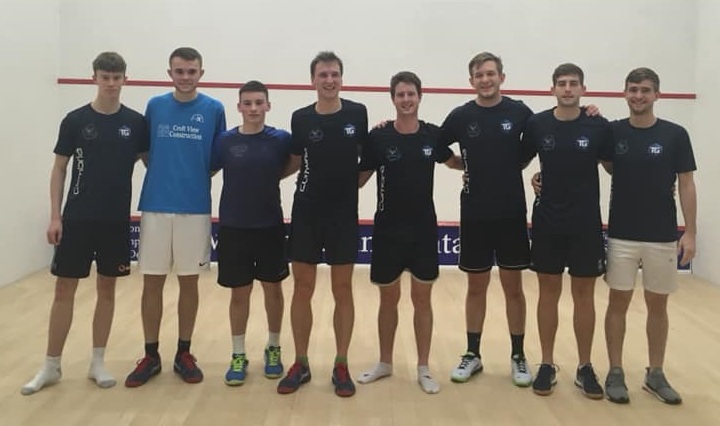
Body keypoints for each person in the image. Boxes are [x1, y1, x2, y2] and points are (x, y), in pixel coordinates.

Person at [21, 52, 148, 395]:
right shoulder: (75, 120)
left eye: (116, 77)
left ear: (125, 79)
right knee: (64, 290)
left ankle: (97, 362)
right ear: (94, 78)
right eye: (105, 77)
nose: (111, 83)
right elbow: (59, 168)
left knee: (107, 290)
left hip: (115, 222)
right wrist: (55, 216)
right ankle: (51, 366)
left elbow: (152, 164)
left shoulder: (136, 123)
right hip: (76, 219)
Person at [125, 47, 226, 387]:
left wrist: (190, 177)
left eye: (191, 71)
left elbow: (216, 158)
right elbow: (145, 151)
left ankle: (184, 352)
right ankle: (150, 355)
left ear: (201, 73)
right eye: (179, 71)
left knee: (189, 282)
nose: (185, 77)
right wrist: (166, 174)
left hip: (194, 208)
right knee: (151, 282)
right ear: (169, 73)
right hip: (155, 205)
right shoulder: (155, 106)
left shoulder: (214, 109)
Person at [356, 71, 462, 394]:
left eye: (410, 94)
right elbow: (359, 179)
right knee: (388, 300)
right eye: (400, 95)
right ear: (393, 99)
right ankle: (385, 363)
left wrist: (485, 168)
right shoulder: (379, 137)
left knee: (422, 300)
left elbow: (453, 162)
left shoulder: (432, 135)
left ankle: (423, 367)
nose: (406, 100)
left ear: (420, 96)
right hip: (388, 230)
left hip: (423, 231)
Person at [438, 52, 534, 387]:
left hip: (511, 212)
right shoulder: (462, 116)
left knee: (513, 288)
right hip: (475, 212)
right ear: (471, 81)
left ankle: (518, 355)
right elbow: (437, 144)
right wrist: (459, 165)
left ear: (501, 77)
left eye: (491, 74)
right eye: (479, 75)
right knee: (476, 286)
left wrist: (589, 111)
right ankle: (473, 353)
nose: (485, 79)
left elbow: (536, 144)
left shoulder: (520, 113)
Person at [276, 51, 368, 397]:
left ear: (341, 78)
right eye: (323, 75)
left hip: (343, 216)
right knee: (303, 288)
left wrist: (350, 188)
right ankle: (300, 362)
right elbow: (293, 161)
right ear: (313, 80)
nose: (329, 80)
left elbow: (367, 158)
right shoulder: (300, 118)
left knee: (342, 289)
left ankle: (341, 363)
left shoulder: (357, 113)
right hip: (306, 213)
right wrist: (260, 176)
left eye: (334, 74)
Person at [603, 67, 696, 405]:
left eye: (645, 90)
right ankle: (615, 371)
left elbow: (686, 184)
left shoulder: (675, 135)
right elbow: (601, 163)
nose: (638, 96)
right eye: (633, 89)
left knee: (658, 305)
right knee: (618, 303)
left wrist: (690, 232)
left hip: (662, 235)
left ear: (657, 94)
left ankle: (655, 373)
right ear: (624, 94)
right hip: (621, 234)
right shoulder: (612, 132)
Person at [520, 63, 613, 398]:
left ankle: (585, 366)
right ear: (553, 89)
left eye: (574, 83)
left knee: (584, 296)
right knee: (548, 294)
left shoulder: (598, 125)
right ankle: (546, 364)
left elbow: (615, 166)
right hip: (548, 222)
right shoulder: (537, 124)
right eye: (562, 83)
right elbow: (518, 160)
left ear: (583, 89)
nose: (568, 88)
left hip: (585, 224)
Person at [210, 81, 292, 386]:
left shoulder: (281, 139)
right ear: (239, 107)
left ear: (268, 105)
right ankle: (238, 354)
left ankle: (273, 347)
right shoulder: (224, 141)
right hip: (233, 228)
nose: (254, 108)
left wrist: (271, 176)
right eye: (248, 103)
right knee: (239, 293)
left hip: (270, 227)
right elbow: (209, 169)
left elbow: (295, 162)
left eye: (259, 103)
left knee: (273, 290)